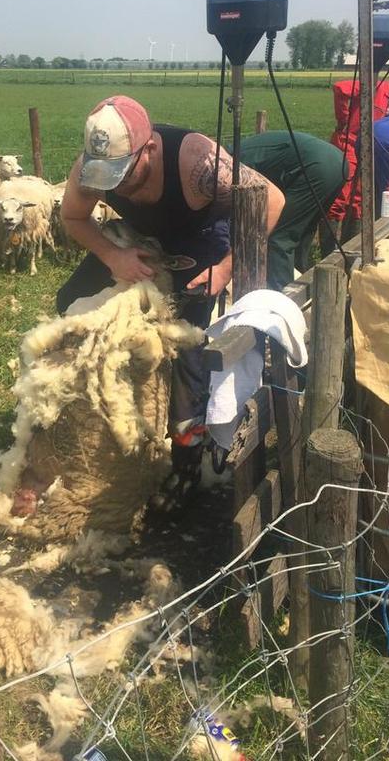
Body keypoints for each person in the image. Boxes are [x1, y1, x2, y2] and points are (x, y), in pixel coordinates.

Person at [57, 95, 285, 507]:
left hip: (198, 239)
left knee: (187, 346)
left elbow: (271, 199)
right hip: (138, 237)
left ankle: (186, 456)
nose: (115, 185)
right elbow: (73, 216)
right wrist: (113, 256)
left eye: (124, 173)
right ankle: (94, 413)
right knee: (72, 301)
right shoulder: (92, 166)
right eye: (107, 176)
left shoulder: (199, 162)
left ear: (149, 149)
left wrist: (227, 267)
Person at [235, 132, 346, 289]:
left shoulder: (229, 165)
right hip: (337, 161)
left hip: (316, 168)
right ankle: (300, 281)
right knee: (302, 231)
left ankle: (283, 294)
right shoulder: (237, 153)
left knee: (280, 236)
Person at [327, 67, 389, 232]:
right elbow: (340, 88)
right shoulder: (375, 87)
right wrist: (343, 119)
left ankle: (351, 242)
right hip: (348, 144)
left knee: (359, 198)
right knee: (341, 197)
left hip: (365, 150)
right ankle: (329, 245)